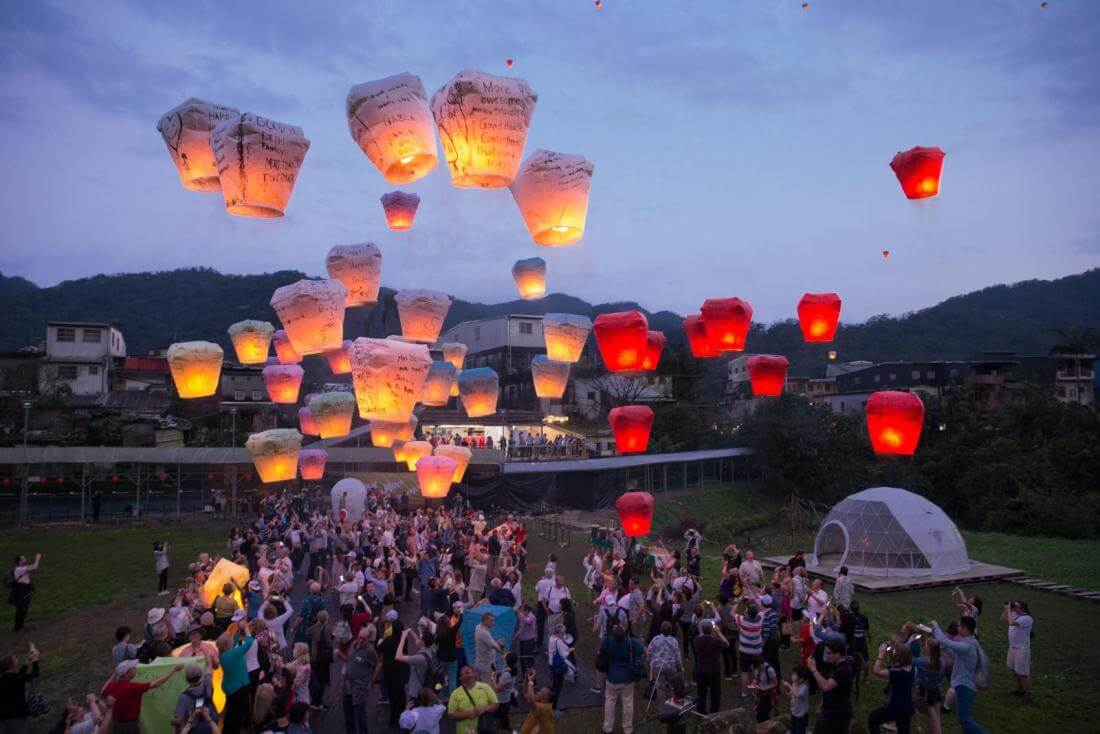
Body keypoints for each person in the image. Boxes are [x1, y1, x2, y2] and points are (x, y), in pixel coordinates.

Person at [932, 616, 985, 734]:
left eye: (960, 626)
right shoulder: (970, 641)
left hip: (965, 686)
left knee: (964, 719)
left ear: (965, 629)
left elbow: (944, 641)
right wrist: (944, 648)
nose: (957, 627)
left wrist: (935, 626)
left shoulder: (966, 645)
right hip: (966, 684)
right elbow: (956, 654)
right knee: (965, 719)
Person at [102, 659, 183, 734]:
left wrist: (114, 674)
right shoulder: (132, 687)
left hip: (116, 725)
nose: (135, 669)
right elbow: (157, 683)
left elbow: (103, 691)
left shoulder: (111, 686)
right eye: (133, 668)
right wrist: (174, 669)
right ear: (127, 673)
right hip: (131, 725)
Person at [600, 623, 644, 734]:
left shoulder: (608, 641)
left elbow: (600, 651)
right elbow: (642, 650)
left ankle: (608, 727)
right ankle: (627, 728)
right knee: (628, 703)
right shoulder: (631, 642)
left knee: (609, 702)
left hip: (612, 677)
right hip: (628, 678)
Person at [867, 642, 915, 734]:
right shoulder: (912, 669)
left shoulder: (897, 673)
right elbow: (901, 659)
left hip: (894, 707)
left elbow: (876, 671)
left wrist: (880, 655)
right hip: (908, 707)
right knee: (903, 731)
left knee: (873, 719)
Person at [807, 639, 853, 734]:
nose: (826, 656)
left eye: (829, 653)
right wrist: (821, 705)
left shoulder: (844, 669)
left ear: (838, 654)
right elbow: (828, 689)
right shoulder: (834, 665)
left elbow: (826, 686)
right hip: (829, 711)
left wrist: (813, 669)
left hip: (837, 715)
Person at [340, 628, 378, 734]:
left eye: (363, 639)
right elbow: (348, 660)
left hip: (359, 686)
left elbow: (377, 664)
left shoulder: (370, 651)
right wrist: (343, 677)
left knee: (361, 714)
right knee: (348, 713)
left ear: (368, 639)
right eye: (359, 637)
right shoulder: (353, 644)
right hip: (347, 684)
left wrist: (372, 681)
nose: (360, 640)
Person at [217, 626, 254, 734]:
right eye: (229, 640)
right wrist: (247, 630)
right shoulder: (232, 654)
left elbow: (235, 641)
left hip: (231, 686)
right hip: (237, 688)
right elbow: (249, 643)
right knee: (237, 715)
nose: (232, 640)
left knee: (231, 713)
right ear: (227, 644)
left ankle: (226, 730)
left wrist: (239, 631)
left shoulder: (225, 653)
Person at [447, 666, 498, 734]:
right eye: (463, 670)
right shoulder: (455, 693)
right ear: (460, 678)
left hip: (484, 730)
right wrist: (468, 714)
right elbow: (451, 714)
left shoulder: (485, 687)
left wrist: (484, 709)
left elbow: (496, 704)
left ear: (474, 674)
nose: (467, 669)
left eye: (469, 669)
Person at [0, 647, 41, 733]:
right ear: (12, 665)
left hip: (3, 718)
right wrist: (35, 661)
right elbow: (35, 675)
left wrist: (28, 661)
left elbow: (19, 675)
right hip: (17, 718)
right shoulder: (17, 679)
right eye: (15, 660)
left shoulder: (3, 679)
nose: (17, 662)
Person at [692, 619, 729, 714]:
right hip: (714, 670)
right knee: (715, 693)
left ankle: (701, 712)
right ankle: (714, 712)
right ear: (712, 630)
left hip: (702, 670)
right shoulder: (716, 641)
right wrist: (719, 632)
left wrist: (704, 632)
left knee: (701, 692)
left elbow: (699, 638)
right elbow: (726, 643)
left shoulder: (697, 640)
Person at [172, 664, 218, 734]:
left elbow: (178, 721)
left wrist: (172, 721)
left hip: (196, 729)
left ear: (186, 679)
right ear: (200, 676)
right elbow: (208, 669)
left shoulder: (184, 697)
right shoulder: (208, 685)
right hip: (211, 722)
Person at [1002, 600, 1033, 701]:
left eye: (1016, 606)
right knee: (1014, 670)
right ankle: (1020, 689)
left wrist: (1008, 609)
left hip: (1022, 648)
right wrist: (1007, 609)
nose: (1014, 608)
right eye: (1014, 606)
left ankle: (1028, 694)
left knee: (1022, 673)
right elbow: (1002, 618)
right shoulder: (1015, 614)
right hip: (1013, 647)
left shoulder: (1027, 618)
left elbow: (1011, 622)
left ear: (1022, 608)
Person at [913, 638, 946, 734]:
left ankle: (918, 726)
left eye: (926, 646)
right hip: (935, 690)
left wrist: (909, 642)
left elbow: (910, 660)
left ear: (929, 649)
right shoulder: (942, 662)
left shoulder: (923, 662)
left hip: (926, 693)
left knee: (933, 719)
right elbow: (941, 677)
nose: (925, 646)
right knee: (936, 717)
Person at [7, 553, 41, 632]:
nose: (25, 559)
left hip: (24, 590)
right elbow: (35, 567)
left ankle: (19, 626)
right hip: (21, 591)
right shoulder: (19, 569)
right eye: (23, 559)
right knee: (21, 609)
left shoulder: (22, 568)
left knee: (24, 609)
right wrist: (37, 558)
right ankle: (17, 627)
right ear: (19, 562)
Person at [519, 668, 554, 734]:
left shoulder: (544, 709)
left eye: (541, 692)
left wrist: (531, 681)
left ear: (545, 698)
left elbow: (530, 701)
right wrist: (526, 677)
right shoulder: (540, 700)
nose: (538, 692)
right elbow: (526, 692)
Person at [474, 612, 505, 683]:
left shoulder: (478, 627)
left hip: (480, 663)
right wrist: (501, 646)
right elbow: (499, 650)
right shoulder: (485, 633)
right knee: (489, 689)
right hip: (486, 667)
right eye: (491, 620)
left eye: (493, 620)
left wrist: (497, 643)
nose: (493, 623)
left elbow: (489, 643)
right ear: (485, 621)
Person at [491, 652, 516, 731]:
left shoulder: (506, 675)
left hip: (501, 702)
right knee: (504, 719)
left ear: (507, 660)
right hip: (506, 700)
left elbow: (497, 689)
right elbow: (503, 655)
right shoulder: (511, 669)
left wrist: (493, 679)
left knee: (502, 721)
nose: (504, 655)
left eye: (505, 656)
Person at [781, 665, 810, 734]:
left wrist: (789, 686)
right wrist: (784, 690)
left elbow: (797, 695)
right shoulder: (794, 684)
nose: (792, 676)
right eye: (792, 674)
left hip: (801, 715)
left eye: (794, 675)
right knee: (793, 730)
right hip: (794, 712)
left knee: (800, 731)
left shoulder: (804, 688)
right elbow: (790, 695)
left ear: (801, 679)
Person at [749, 654, 778, 723]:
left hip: (769, 696)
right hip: (760, 695)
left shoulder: (769, 670)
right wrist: (754, 683)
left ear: (761, 663)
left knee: (761, 717)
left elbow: (775, 683)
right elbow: (756, 678)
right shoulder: (754, 668)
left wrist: (764, 688)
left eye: (759, 667)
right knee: (763, 716)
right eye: (756, 668)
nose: (758, 669)